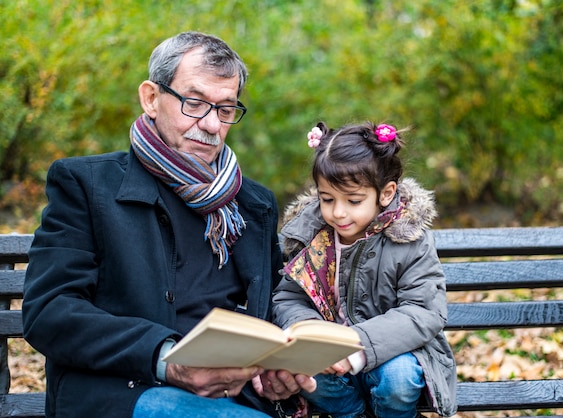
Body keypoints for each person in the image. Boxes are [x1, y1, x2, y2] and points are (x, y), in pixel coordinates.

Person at [22, 31, 315, 418]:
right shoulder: (87, 185)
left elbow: (273, 308)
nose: (211, 124)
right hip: (123, 393)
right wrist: (167, 359)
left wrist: (278, 369)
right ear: (151, 98)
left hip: (237, 396)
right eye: (194, 103)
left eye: (226, 109)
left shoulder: (252, 203)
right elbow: (50, 311)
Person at [273, 121, 458, 418]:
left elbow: (424, 311)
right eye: (327, 199)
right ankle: (353, 414)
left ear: (385, 194)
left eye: (354, 200)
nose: (338, 212)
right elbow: (288, 298)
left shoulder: (408, 240)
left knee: (399, 379)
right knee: (302, 374)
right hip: (330, 361)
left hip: (395, 355)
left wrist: (355, 346)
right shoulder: (311, 238)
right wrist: (313, 334)